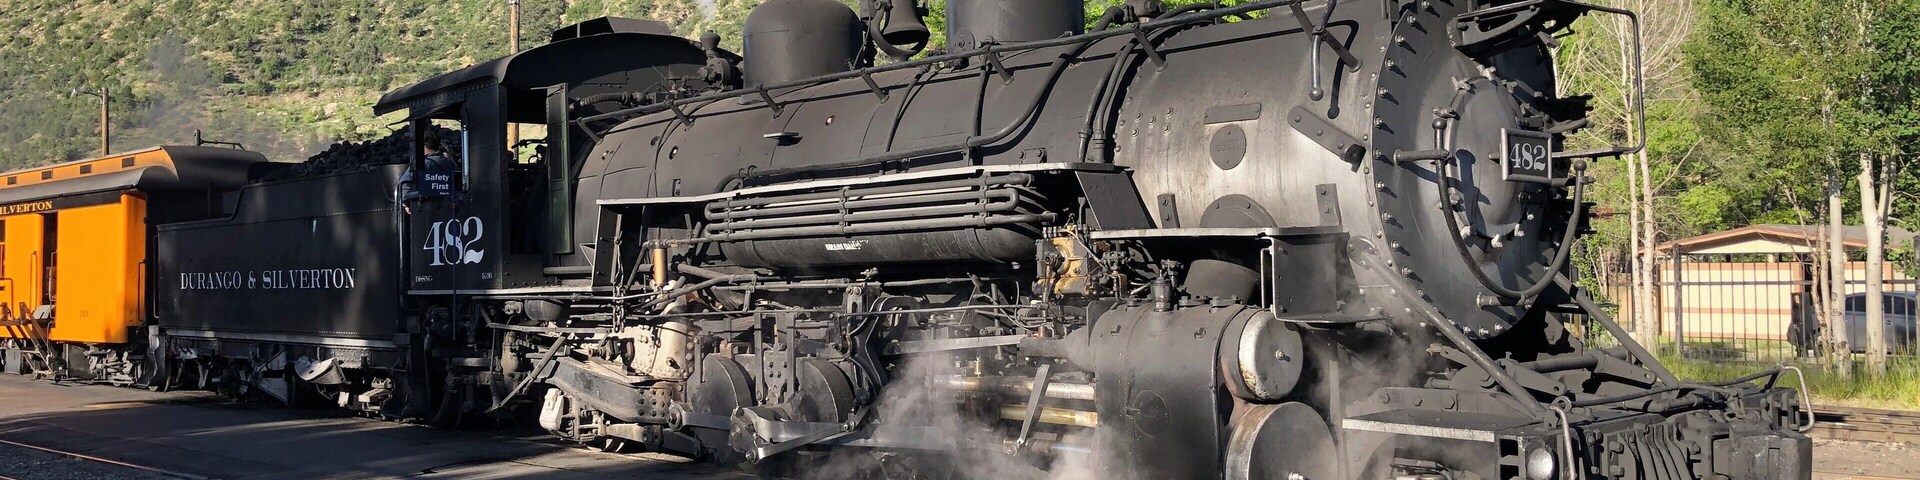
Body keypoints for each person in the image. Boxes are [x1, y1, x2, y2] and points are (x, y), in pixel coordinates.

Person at [399, 135, 458, 213]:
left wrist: (405, 203)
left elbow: (403, 184)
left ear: (423, 147)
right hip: (449, 206)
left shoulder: (422, 164)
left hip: (425, 208)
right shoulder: (449, 162)